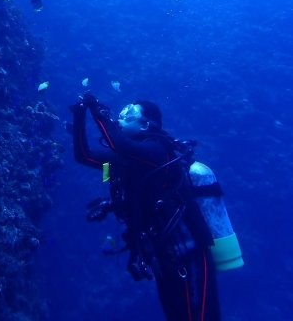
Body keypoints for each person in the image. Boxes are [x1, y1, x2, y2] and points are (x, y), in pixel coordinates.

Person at [70, 93, 243, 321]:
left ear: (146, 125)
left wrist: (97, 112)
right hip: (162, 257)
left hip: (188, 253)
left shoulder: (158, 151)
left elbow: (119, 143)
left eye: (129, 114)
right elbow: (84, 156)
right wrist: (79, 114)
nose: (121, 117)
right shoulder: (124, 159)